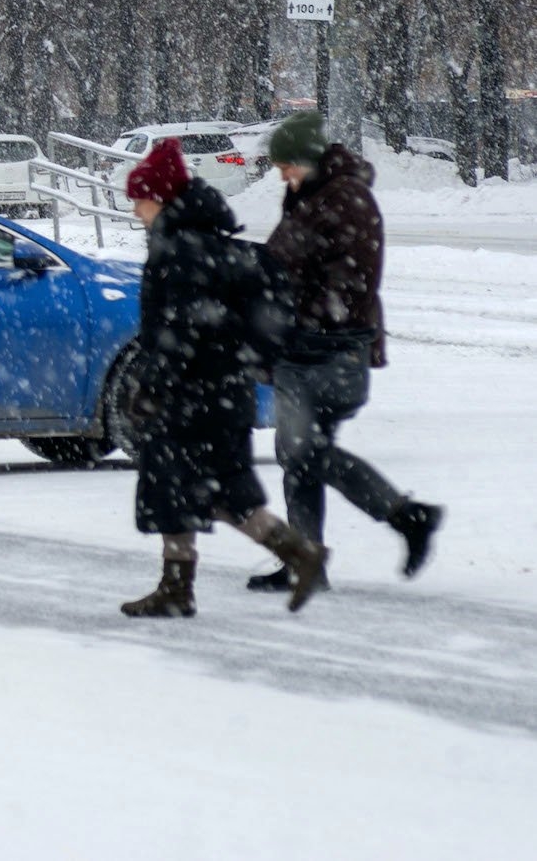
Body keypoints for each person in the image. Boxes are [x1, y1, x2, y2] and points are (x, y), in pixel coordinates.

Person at [119, 139, 327, 618]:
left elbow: (177, 332)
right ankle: (179, 586)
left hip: (190, 397)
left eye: (140, 198)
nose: (135, 210)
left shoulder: (178, 252)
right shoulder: (205, 244)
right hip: (220, 393)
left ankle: (294, 553)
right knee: (199, 490)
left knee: (198, 490)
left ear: (162, 198)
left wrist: (151, 387)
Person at [247, 110, 443, 591]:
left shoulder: (346, 200)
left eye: (286, 165)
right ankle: (305, 560)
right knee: (301, 456)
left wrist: (296, 315)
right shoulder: (311, 196)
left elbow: (351, 282)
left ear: (309, 160)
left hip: (330, 349)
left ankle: (406, 515)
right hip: (306, 348)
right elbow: (288, 260)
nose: (282, 175)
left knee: (302, 452)